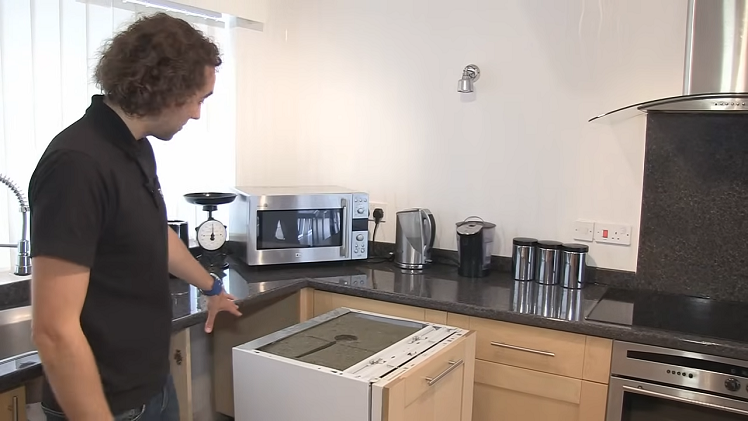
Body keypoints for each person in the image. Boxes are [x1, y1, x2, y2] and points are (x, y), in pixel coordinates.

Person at [27, 12, 242, 421]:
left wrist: (212, 287)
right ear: (162, 89)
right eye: (197, 99)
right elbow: (53, 332)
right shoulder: (77, 165)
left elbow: (152, 235)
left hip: (150, 386)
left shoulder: (133, 146)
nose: (197, 114)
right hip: (106, 403)